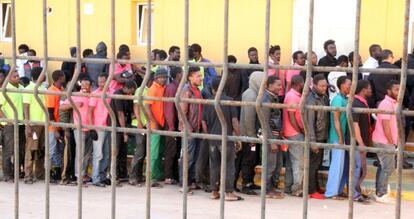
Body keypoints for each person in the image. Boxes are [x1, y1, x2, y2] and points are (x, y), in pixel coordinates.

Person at [201, 77, 243, 201]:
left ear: (212, 88)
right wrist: (238, 137)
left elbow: (203, 121)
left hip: (213, 139)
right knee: (229, 165)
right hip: (226, 139)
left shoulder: (209, 101)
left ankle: (214, 191)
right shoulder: (229, 101)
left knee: (214, 165)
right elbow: (234, 121)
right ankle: (229, 192)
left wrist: (208, 135)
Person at [61, 77, 93, 184]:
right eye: (82, 84)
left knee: (87, 153)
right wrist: (74, 105)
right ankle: (78, 175)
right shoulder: (75, 95)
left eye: (86, 84)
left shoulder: (93, 95)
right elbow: (62, 107)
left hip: (91, 128)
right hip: (79, 128)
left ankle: (83, 174)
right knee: (80, 151)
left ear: (90, 86)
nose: (84, 86)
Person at [325, 76, 351, 199]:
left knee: (342, 165)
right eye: (348, 85)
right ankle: (331, 192)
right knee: (336, 165)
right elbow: (336, 119)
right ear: (341, 85)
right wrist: (340, 137)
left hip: (343, 136)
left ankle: (338, 190)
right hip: (337, 137)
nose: (350, 87)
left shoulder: (344, 99)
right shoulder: (337, 100)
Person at [373, 80, 399, 204]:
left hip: (385, 140)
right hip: (384, 141)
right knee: (388, 168)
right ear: (389, 91)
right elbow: (385, 125)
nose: (398, 92)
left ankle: (379, 192)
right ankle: (381, 193)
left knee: (383, 167)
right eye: (396, 89)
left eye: (399, 89)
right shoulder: (386, 104)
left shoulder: (393, 103)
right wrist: (391, 142)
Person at [237, 71, 263, 195]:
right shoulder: (251, 95)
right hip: (248, 135)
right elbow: (249, 118)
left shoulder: (254, 93)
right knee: (248, 159)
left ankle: (250, 181)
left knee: (252, 158)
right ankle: (246, 184)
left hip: (250, 134)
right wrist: (252, 137)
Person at [305, 74, 330, 200]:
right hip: (315, 137)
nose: (324, 88)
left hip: (322, 135)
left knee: (317, 163)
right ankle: (311, 189)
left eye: (325, 85)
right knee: (313, 164)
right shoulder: (311, 100)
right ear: (314, 85)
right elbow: (309, 123)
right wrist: (313, 141)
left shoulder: (324, 97)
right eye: (321, 86)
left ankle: (316, 187)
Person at [178, 66, 203, 193]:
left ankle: (191, 181)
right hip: (189, 130)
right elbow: (182, 113)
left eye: (200, 75)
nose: (201, 78)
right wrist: (188, 129)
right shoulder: (186, 91)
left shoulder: (197, 91)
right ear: (190, 77)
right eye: (198, 76)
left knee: (194, 156)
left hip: (197, 129)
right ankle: (184, 183)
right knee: (188, 157)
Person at [0, 70, 25, 182]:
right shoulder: (4, 90)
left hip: (21, 124)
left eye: (18, 75)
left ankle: (16, 173)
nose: (17, 78)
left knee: (19, 150)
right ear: (9, 78)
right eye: (15, 76)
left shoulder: (22, 88)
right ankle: (7, 174)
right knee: (8, 151)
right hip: (10, 125)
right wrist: (7, 120)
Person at [145, 68, 168, 187]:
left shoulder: (162, 88)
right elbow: (147, 107)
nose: (163, 79)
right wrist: (154, 122)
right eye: (161, 77)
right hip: (155, 126)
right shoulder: (153, 89)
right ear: (156, 78)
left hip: (161, 124)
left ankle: (157, 174)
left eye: (165, 77)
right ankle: (150, 178)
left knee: (159, 152)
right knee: (153, 153)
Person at [263, 75, 285, 199]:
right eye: (278, 85)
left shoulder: (273, 97)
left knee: (278, 164)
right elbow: (265, 122)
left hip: (276, 136)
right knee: (270, 164)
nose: (280, 87)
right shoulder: (266, 99)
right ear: (270, 85)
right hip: (271, 137)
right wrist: (271, 141)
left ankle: (272, 187)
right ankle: (266, 189)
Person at [129, 74, 154, 186]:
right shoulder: (141, 90)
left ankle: (139, 176)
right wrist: (139, 122)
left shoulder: (151, 90)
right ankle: (133, 177)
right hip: (139, 125)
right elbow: (136, 107)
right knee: (139, 152)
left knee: (143, 152)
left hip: (147, 125)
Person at [23, 67, 46, 184]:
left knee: (40, 150)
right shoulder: (29, 89)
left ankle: (40, 173)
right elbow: (25, 107)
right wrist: (28, 125)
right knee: (31, 150)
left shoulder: (42, 88)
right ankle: (28, 175)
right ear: (40, 76)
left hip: (43, 124)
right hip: (33, 124)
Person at [110, 80, 137, 181]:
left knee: (123, 150)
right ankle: (113, 175)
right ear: (125, 88)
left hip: (123, 124)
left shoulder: (128, 96)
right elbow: (120, 114)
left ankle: (122, 174)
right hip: (116, 126)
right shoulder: (118, 95)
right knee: (115, 150)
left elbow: (129, 112)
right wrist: (124, 132)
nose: (131, 94)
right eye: (130, 91)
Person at [283, 75, 305, 196]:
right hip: (294, 132)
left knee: (291, 162)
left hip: (291, 132)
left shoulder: (292, 95)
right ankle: (297, 189)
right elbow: (292, 118)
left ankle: (289, 186)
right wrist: (300, 130)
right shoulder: (292, 96)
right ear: (299, 84)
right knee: (298, 162)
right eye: (303, 83)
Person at [351, 80, 373, 204]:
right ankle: (354, 194)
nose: (371, 90)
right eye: (369, 88)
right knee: (357, 169)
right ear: (363, 90)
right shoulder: (357, 103)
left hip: (362, 141)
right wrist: (361, 143)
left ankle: (357, 191)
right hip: (358, 143)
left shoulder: (362, 103)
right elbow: (355, 125)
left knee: (361, 169)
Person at [88, 73, 111, 187]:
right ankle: (95, 178)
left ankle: (102, 176)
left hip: (108, 127)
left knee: (106, 154)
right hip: (98, 127)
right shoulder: (95, 94)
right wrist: (92, 128)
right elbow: (90, 111)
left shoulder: (111, 93)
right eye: (99, 81)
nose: (101, 84)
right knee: (98, 154)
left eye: (103, 81)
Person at [46, 70, 66, 183]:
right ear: (60, 78)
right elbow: (50, 111)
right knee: (52, 150)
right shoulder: (51, 91)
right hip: (52, 127)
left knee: (58, 151)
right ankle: (49, 173)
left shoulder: (61, 90)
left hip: (59, 125)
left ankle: (57, 173)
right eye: (63, 76)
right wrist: (54, 129)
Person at [163, 67, 182, 185]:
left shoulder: (177, 87)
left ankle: (174, 175)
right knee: (171, 150)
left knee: (176, 149)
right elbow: (169, 108)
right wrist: (171, 126)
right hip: (171, 123)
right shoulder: (171, 88)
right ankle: (168, 176)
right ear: (179, 74)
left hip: (175, 122)